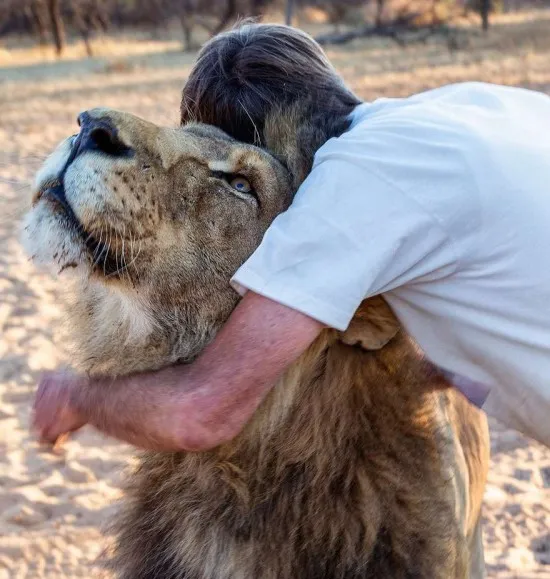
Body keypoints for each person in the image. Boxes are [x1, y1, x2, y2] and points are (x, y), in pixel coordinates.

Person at [33, 23, 550, 451]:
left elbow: (200, 411)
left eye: (236, 177)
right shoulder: (459, 107)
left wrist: (79, 398)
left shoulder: (345, 192)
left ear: (287, 161)